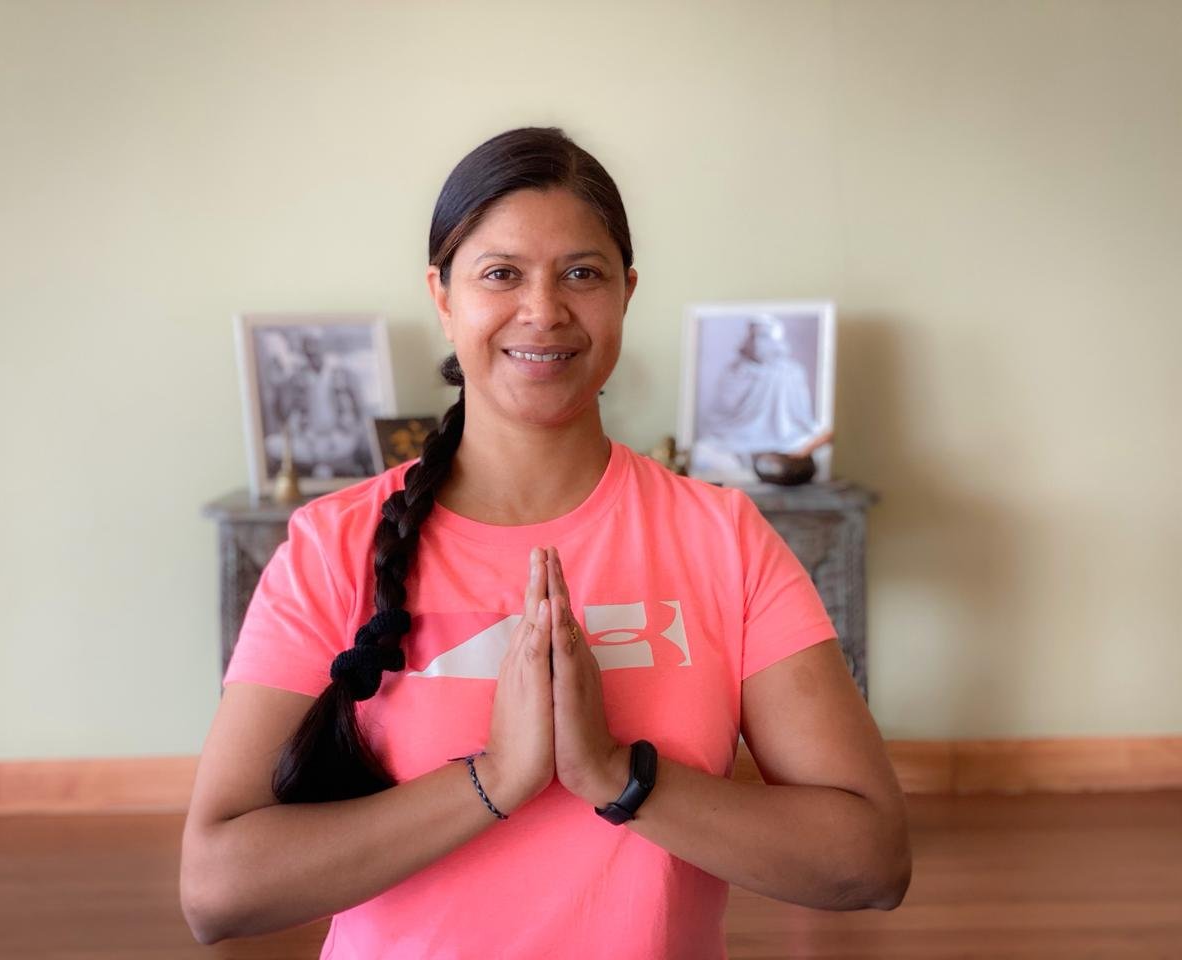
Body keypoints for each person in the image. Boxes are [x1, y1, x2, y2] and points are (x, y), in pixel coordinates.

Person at [180, 127, 910, 959]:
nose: (544, 310)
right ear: (442, 297)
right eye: (501, 274)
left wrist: (615, 775)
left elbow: (871, 861)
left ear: (627, 292)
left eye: (582, 273)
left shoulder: (724, 539)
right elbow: (217, 890)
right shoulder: (332, 547)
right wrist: (496, 779)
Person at [692, 314, 820, 476]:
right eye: (753, 336)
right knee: (704, 450)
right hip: (736, 436)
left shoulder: (792, 371)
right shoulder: (736, 370)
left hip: (782, 437)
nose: (758, 342)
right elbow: (722, 409)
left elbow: (801, 417)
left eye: (764, 336)